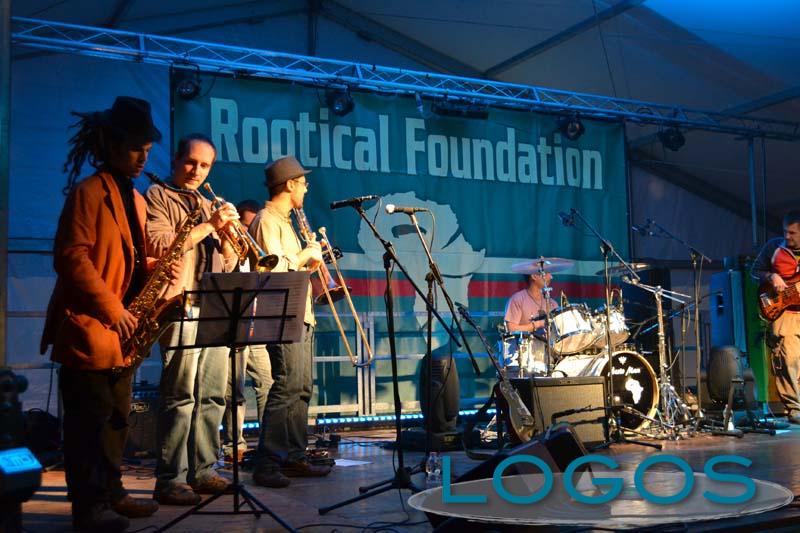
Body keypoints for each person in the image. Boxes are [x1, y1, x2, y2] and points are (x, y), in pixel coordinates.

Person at [40, 96, 161, 531]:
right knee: (88, 426)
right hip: (90, 328)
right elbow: (71, 257)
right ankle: (88, 507)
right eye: (134, 149)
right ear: (110, 145)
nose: (142, 157)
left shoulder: (138, 199)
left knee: (116, 419)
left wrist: (156, 267)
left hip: (121, 333)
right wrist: (113, 309)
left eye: (147, 149)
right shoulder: (88, 192)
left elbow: (127, 257)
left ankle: (113, 492)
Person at [146, 133, 240, 505]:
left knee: (213, 395)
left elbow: (229, 265)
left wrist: (229, 239)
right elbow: (159, 246)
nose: (197, 171)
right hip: (179, 304)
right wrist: (210, 226)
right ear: (176, 160)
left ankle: (204, 470)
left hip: (213, 307)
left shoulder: (208, 204)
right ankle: (171, 478)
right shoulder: (159, 196)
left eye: (205, 165)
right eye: (191, 162)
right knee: (180, 396)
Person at [249, 155, 332, 488]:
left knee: (301, 389)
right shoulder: (266, 220)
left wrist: (311, 263)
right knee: (285, 386)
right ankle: (267, 462)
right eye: (303, 183)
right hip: (282, 314)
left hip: (300, 312)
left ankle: (295, 456)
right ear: (290, 184)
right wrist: (303, 256)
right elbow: (271, 271)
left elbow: (294, 270)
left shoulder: (287, 222)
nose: (306, 189)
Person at [220, 199, 274, 463]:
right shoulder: (228, 246)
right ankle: (234, 446)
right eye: (245, 226)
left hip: (255, 324)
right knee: (235, 390)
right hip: (234, 325)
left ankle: (268, 443)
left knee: (267, 382)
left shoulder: (257, 254)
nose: (248, 233)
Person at [752, 210, 800, 424]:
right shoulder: (774, 247)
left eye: (793, 233)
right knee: (788, 360)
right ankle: (794, 408)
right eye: (785, 231)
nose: (787, 236)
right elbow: (755, 271)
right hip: (784, 314)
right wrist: (772, 276)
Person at [503, 271, 559, 374]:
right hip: (524, 358)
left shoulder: (552, 304)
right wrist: (537, 324)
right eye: (546, 273)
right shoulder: (518, 299)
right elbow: (510, 328)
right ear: (534, 276)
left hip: (549, 357)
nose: (551, 276)